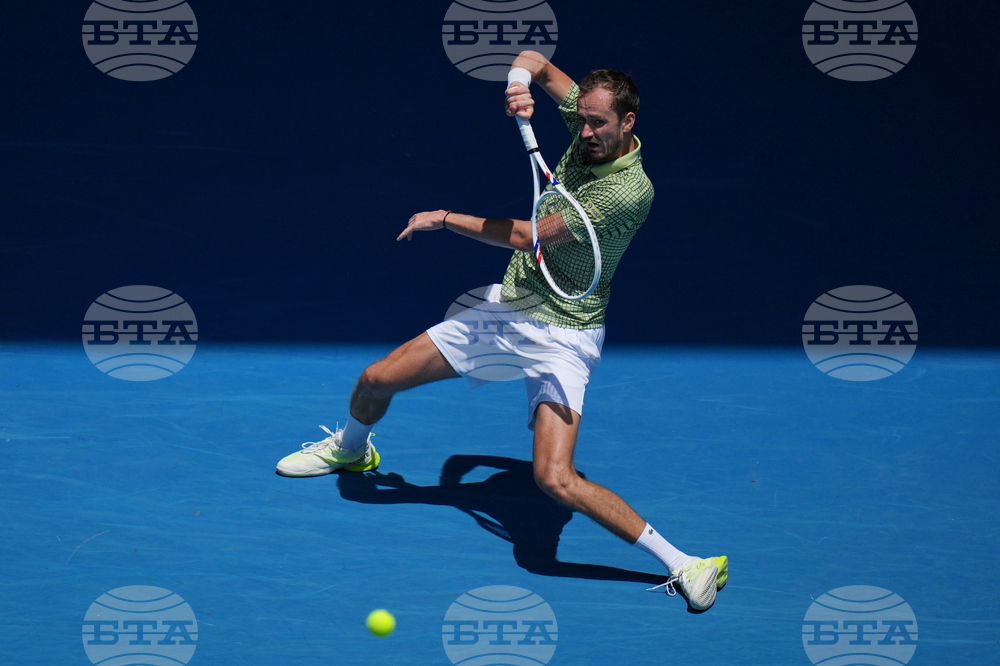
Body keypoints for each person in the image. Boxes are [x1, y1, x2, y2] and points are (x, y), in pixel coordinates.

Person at [275, 50, 728, 611]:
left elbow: (526, 237)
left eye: (597, 123)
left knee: (555, 480)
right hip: (510, 307)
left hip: (566, 333)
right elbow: (535, 61)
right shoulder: (588, 121)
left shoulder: (628, 192)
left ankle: (686, 563)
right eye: (580, 118)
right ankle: (351, 449)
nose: (584, 130)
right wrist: (518, 83)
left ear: (628, 123)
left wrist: (442, 218)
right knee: (374, 380)